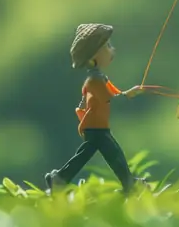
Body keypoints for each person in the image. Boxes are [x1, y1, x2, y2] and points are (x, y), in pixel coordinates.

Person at [45, 23, 145, 196]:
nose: (112, 50)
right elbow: (108, 97)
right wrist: (126, 96)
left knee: (90, 155)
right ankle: (129, 183)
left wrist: (129, 92)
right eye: (107, 46)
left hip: (98, 126)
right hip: (96, 127)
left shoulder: (100, 78)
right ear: (93, 57)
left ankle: (60, 179)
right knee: (113, 154)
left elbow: (115, 92)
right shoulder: (94, 82)